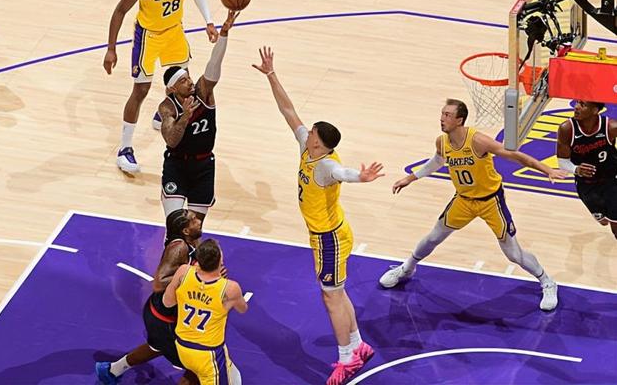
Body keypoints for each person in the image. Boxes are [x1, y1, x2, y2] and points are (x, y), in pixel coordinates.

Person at [253, 47, 384, 385]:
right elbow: (288, 110)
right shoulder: (306, 147)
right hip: (327, 234)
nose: (306, 131)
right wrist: (271, 75)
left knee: (331, 297)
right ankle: (358, 344)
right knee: (337, 293)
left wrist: (362, 177)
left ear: (319, 144)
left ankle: (347, 358)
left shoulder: (326, 164)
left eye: (311, 132)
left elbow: (342, 173)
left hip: (330, 239)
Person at [379, 99, 567, 311]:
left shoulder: (478, 141)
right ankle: (407, 269)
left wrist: (547, 170)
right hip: (463, 200)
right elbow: (436, 162)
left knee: (513, 254)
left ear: (459, 120)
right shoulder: (442, 142)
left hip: (491, 201)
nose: (442, 118)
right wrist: (410, 178)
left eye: (447, 115)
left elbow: (515, 156)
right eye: (442, 114)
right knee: (433, 237)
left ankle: (547, 282)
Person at [104, 0, 219, 173]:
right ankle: (124, 149)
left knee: (184, 83)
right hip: (148, 36)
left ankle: (163, 114)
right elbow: (120, 11)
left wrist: (208, 21)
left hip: (174, 31)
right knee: (141, 90)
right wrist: (111, 49)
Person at [95, 209, 203, 385]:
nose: (198, 221)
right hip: (164, 318)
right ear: (185, 230)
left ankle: (110, 371)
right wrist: (195, 276)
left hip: (161, 314)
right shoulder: (179, 247)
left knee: (157, 346)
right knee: (197, 364)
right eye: (193, 220)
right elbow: (159, 283)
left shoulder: (192, 242)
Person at [158, 10, 238, 221]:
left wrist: (224, 35)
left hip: (203, 166)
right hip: (177, 165)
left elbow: (214, 65)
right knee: (175, 225)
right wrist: (185, 117)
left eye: (188, 77)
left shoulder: (202, 93)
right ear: (172, 89)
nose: (190, 82)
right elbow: (171, 140)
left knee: (194, 229)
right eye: (183, 81)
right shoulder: (167, 107)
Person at [163, 238, 247, 385]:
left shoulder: (183, 272)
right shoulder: (229, 288)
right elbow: (242, 309)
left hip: (182, 347)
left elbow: (167, 302)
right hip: (208, 354)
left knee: (233, 376)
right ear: (220, 261)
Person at [556, 100, 617, 239]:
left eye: (582, 105)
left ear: (595, 110)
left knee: (615, 225)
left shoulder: (610, 127)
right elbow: (562, 162)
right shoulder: (567, 129)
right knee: (603, 221)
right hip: (586, 186)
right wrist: (576, 169)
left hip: (611, 181)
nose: (576, 107)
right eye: (577, 103)